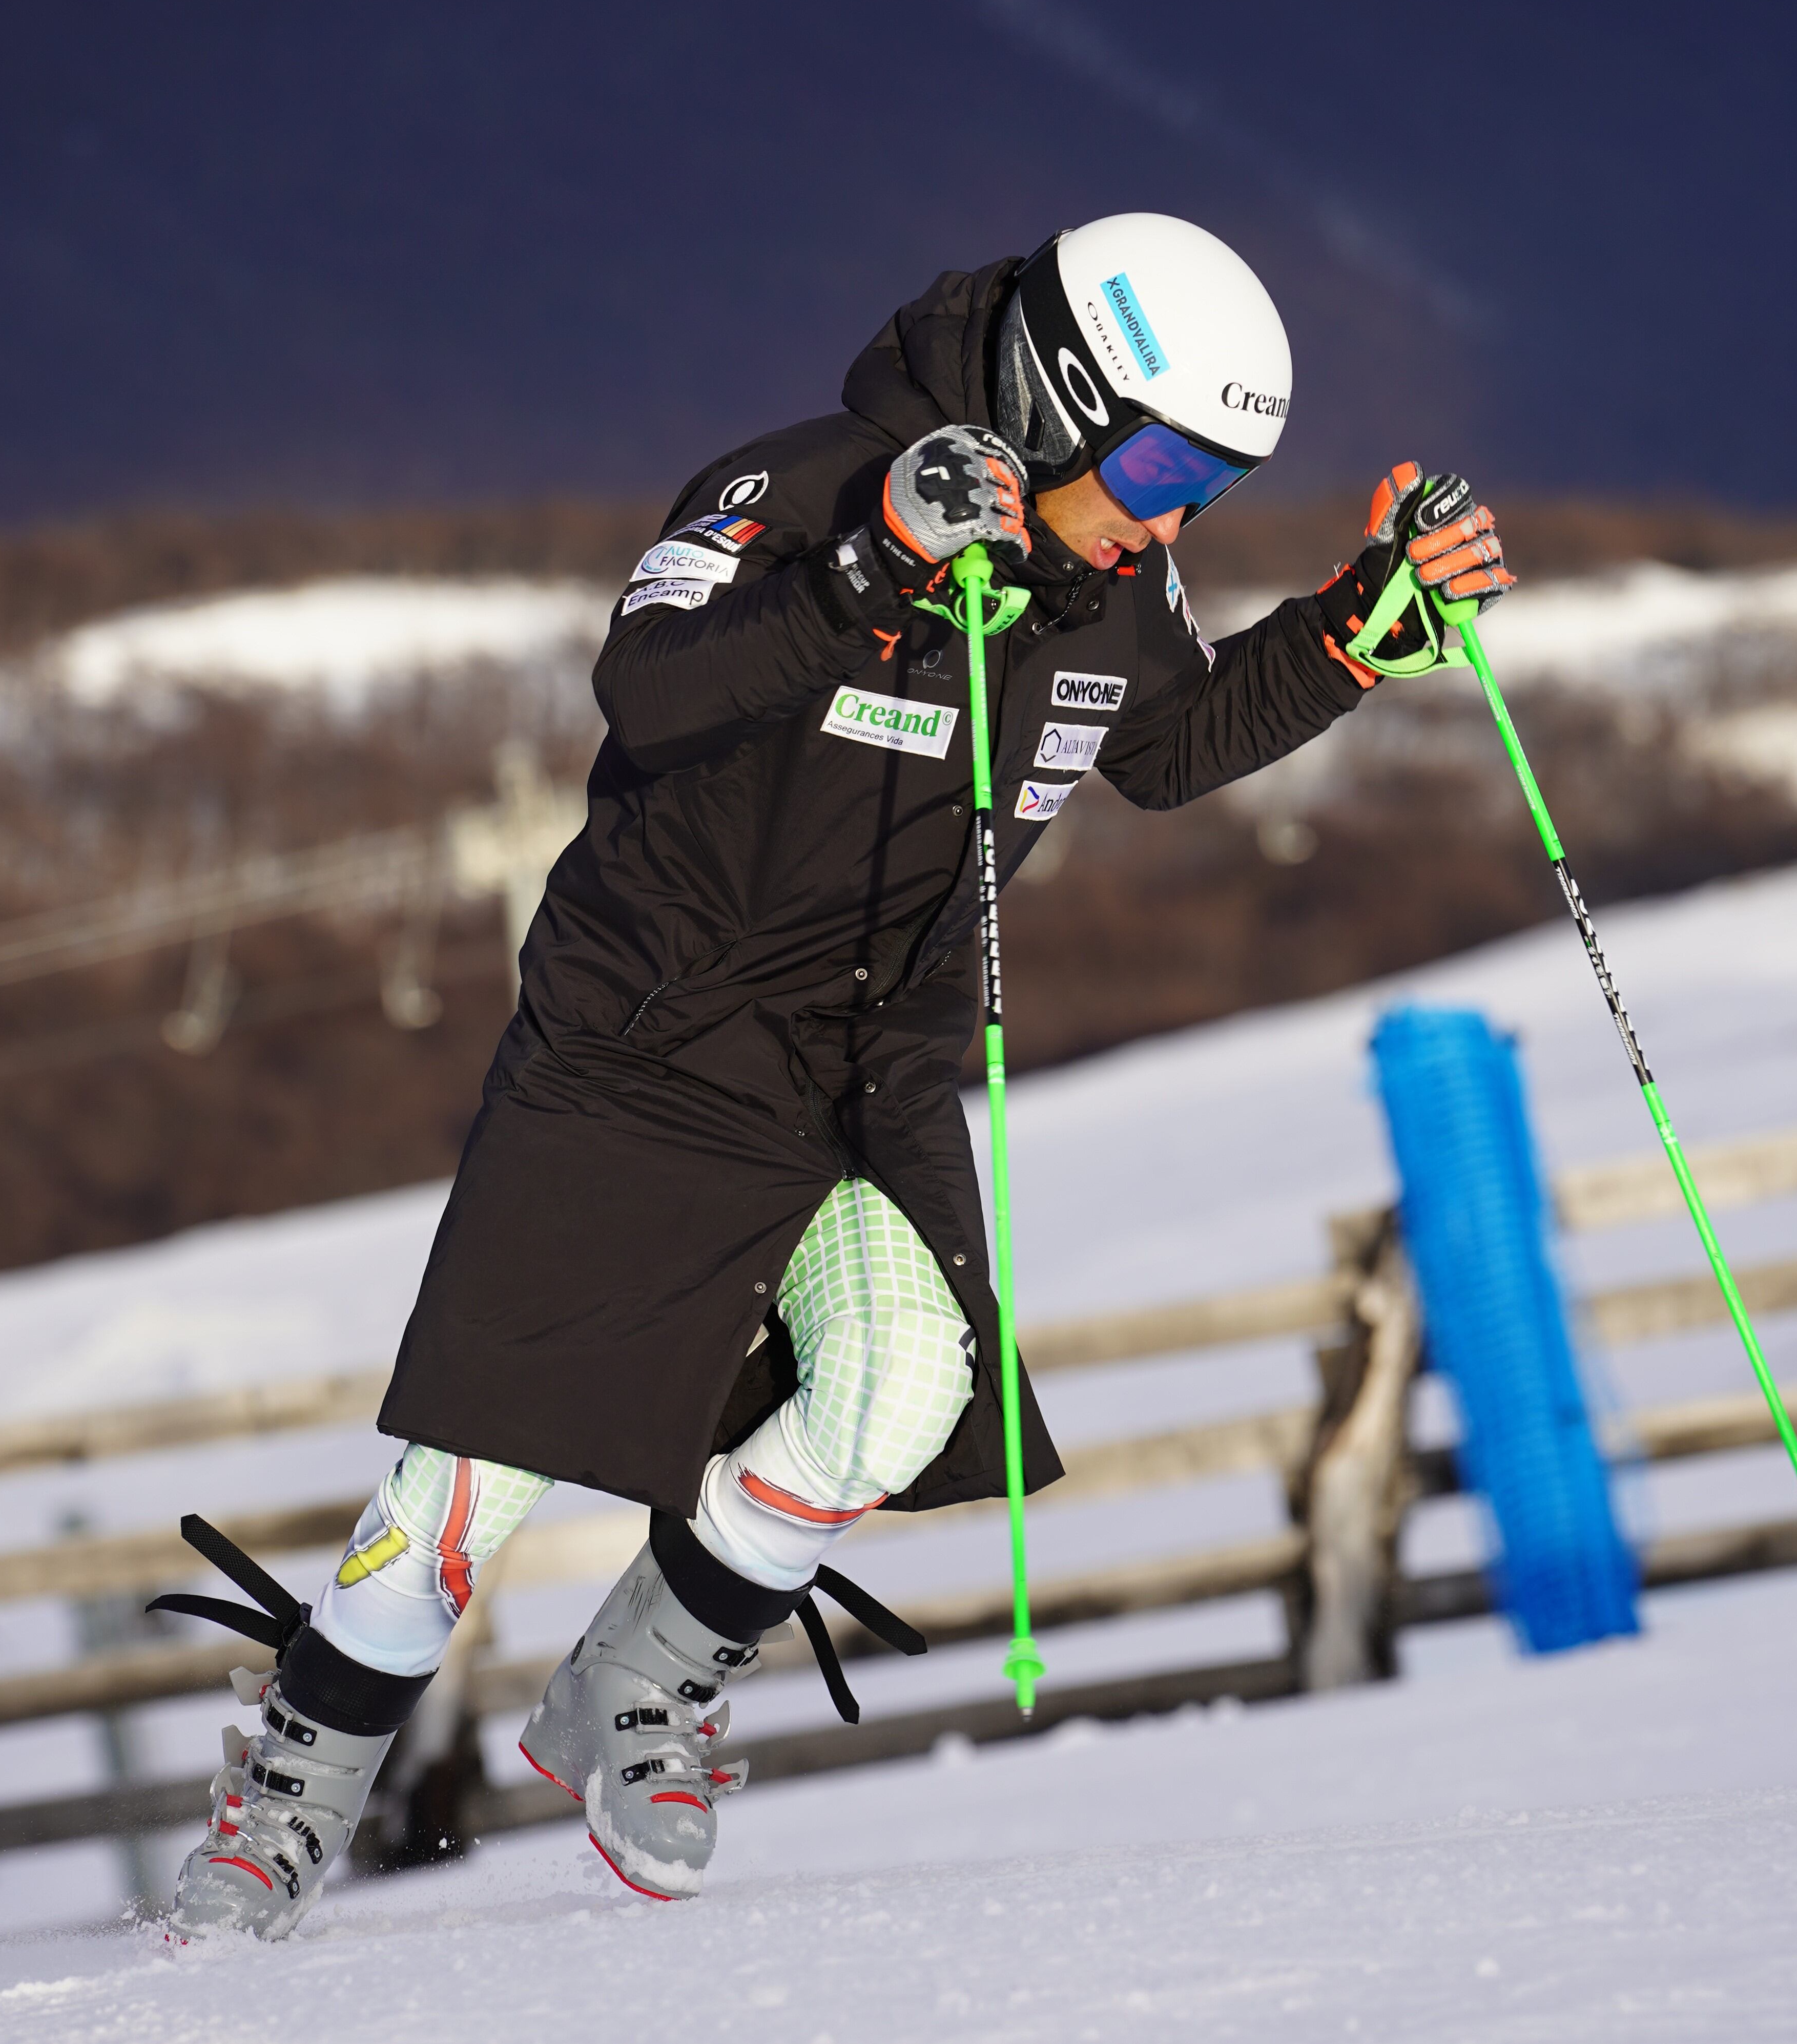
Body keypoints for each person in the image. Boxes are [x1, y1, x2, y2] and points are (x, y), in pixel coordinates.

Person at [156, 212, 1513, 1930]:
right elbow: (649, 687)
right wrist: (868, 570)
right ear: (1058, 394)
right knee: (483, 1469)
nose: (1175, 518)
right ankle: (289, 1799)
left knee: (900, 1379)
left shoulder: (1110, 578)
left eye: (1215, 487)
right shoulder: (801, 489)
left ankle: (632, 1684)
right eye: (1164, 466)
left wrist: (1349, 634)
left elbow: (1164, 746)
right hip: (646, 1047)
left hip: (862, 1076)